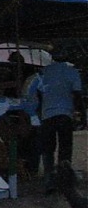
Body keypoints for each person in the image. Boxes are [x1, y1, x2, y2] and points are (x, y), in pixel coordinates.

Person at [29, 47, 86, 194]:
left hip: (47, 115)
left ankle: (49, 180)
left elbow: (38, 93)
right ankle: (64, 178)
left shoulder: (44, 72)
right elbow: (77, 95)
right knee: (65, 148)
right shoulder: (72, 72)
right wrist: (83, 115)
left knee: (48, 148)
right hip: (65, 114)